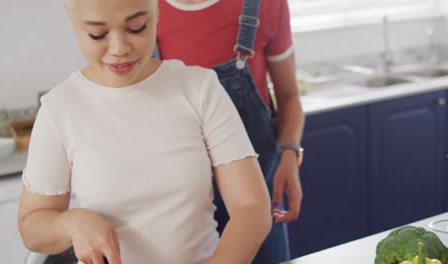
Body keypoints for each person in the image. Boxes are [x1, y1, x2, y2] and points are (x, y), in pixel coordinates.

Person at [17, 0, 273, 263]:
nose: (119, 49)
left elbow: (251, 207)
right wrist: (71, 222)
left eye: (137, 27)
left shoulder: (198, 88)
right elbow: (32, 227)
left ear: (157, 11)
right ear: (72, 21)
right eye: (98, 34)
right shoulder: (60, 108)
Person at [156, 0, 305, 262]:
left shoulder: (264, 5)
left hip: (261, 203)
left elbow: (289, 96)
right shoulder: (140, 11)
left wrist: (290, 153)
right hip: (185, 214)